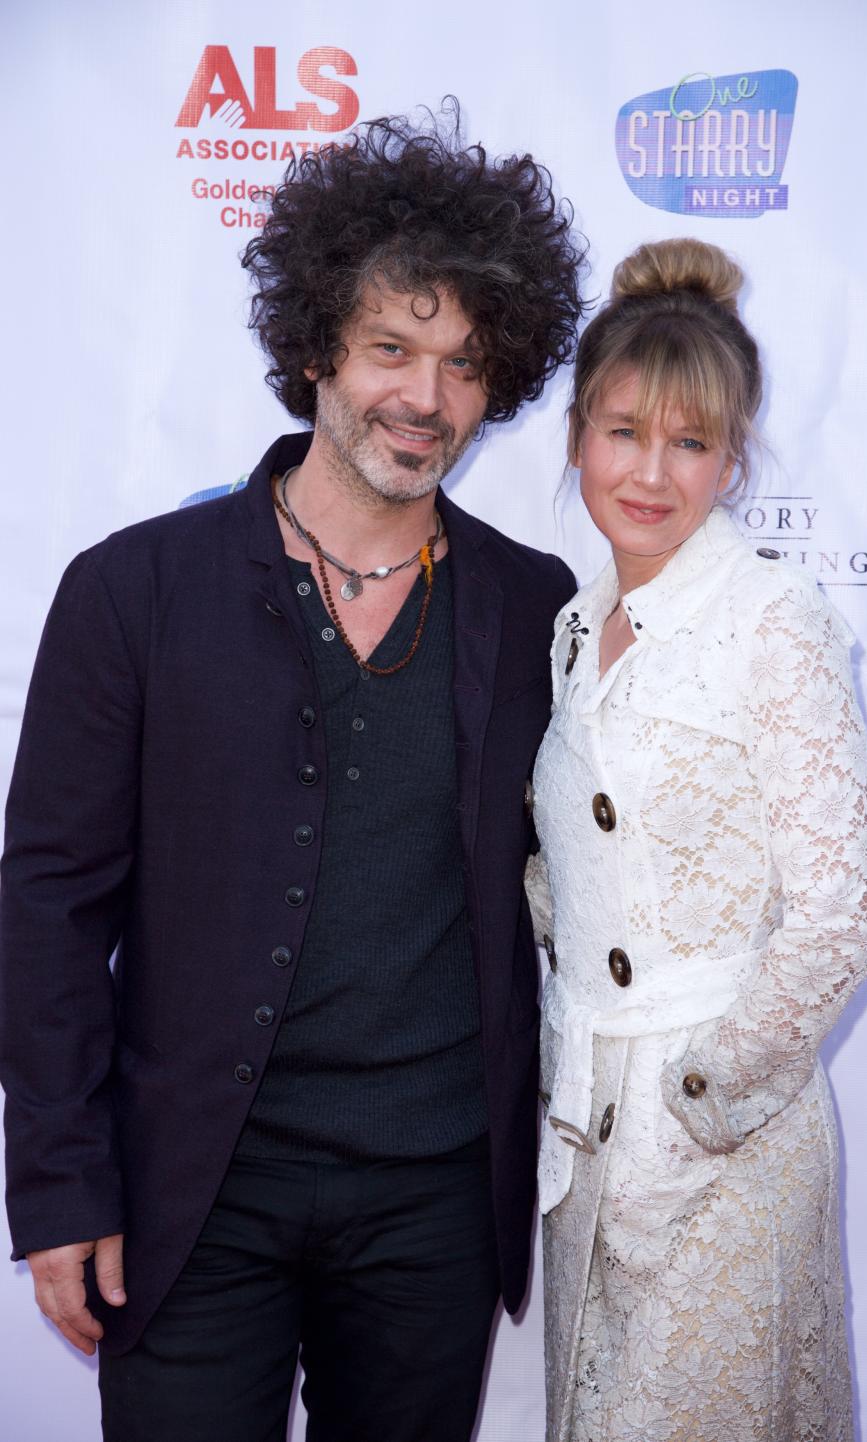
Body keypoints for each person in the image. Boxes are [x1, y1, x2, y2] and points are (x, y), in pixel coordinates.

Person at [0, 106, 585, 1441]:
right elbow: (46, 905)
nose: (423, 399)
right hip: (195, 1190)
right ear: (317, 341)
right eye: (391, 346)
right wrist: (60, 1184)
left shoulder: (533, 603)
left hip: (434, 1199)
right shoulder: (135, 589)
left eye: (462, 362)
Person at [526, 237, 867, 1441]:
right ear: (578, 432)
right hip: (588, 1139)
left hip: (722, 1149)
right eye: (624, 430)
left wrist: (703, 1093)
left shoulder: (775, 621)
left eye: (692, 440)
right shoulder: (576, 624)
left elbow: (839, 916)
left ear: (734, 457)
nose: (651, 471)